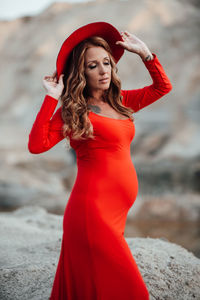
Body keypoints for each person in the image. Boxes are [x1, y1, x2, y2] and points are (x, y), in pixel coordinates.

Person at [28, 22, 172, 300]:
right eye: (93, 66)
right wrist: (51, 99)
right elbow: (36, 146)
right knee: (130, 289)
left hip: (115, 213)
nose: (103, 70)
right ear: (80, 72)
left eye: (106, 62)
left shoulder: (120, 101)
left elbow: (162, 87)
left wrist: (146, 55)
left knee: (97, 287)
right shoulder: (74, 111)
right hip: (91, 213)